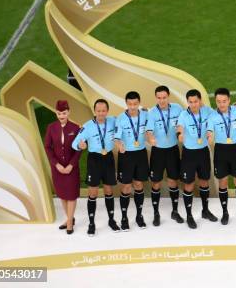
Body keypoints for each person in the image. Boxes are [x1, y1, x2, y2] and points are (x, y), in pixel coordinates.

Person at [72, 99, 120, 236]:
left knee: (109, 190)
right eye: (98, 111)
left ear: (107, 111)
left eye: (103, 111)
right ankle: (91, 224)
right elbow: (75, 143)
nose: (101, 113)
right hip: (94, 160)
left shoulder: (112, 120)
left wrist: (144, 112)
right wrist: (79, 146)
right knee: (92, 192)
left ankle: (111, 220)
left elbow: (124, 120)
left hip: (108, 158)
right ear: (94, 111)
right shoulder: (87, 126)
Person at [206, 88, 236, 225]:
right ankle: (225, 212)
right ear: (216, 101)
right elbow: (210, 132)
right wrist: (210, 137)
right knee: (223, 182)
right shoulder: (212, 116)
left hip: (235, 150)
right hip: (220, 151)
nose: (222, 104)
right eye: (219, 101)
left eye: (224, 101)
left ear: (229, 100)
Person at [177, 89, 217, 229]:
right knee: (189, 184)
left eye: (196, 101)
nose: (193, 104)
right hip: (189, 154)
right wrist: (180, 135)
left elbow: (219, 112)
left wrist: (235, 107)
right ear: (187, 102)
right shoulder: (183, 115)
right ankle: (189, 216)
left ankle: (205, 211)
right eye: (190, 102)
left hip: (203, 152)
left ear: (200, 101)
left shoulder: (207, 111)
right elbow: (180, 128)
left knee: (204, 182)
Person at [145, 85, 184, 226]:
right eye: (159, 98)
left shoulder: (177, 108)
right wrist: (151, 138)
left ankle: (175, 211)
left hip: (173, 150)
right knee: (156, 182)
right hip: (158, 152)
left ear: (169, 97)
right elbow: (148, 130)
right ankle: (156, 213)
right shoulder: (151, 113)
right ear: (156, 98)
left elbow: (186, 118)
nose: (162, 101)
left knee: (173, 180)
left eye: (164, 98)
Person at [114, 91, 150, 231]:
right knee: (127, 187)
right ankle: (124, 218)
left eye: (135, 104)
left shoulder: (145, 115)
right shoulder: (120, 119)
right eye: (130, 104)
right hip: (126, 155)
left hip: (140, 154)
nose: (133, 107)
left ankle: (139, 216)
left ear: (139, 102)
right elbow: (116, 138)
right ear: (126, 104)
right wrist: (119, 145)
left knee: (139, 184)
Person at [43, 100, 80, 235]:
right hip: (57, 168)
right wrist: (56, 164)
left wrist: (71, 165)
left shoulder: (75, 128)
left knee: (71, 196)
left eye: (64, 113)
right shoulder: (51, 127)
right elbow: (47, 147)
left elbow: (78, 150)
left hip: (72, 168)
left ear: (68, 112)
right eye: (59, 113)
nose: (61, 116)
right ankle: (70, 218)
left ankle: (69, 222)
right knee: (63, 195)